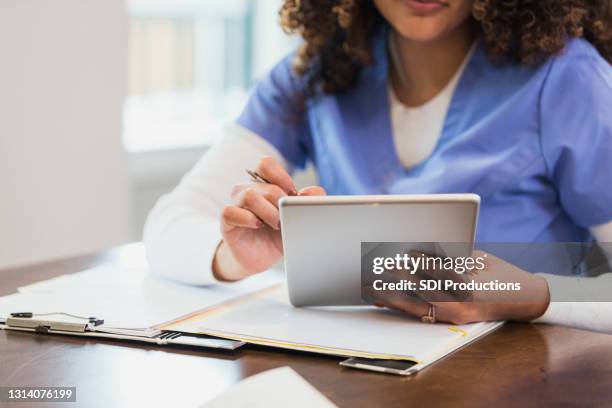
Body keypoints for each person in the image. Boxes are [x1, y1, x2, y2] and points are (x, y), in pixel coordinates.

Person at [144, 0, 612, 333]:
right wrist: (234, 256)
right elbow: (167, 225)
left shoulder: (569, 79)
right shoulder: (314, 73)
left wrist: (533, 295)